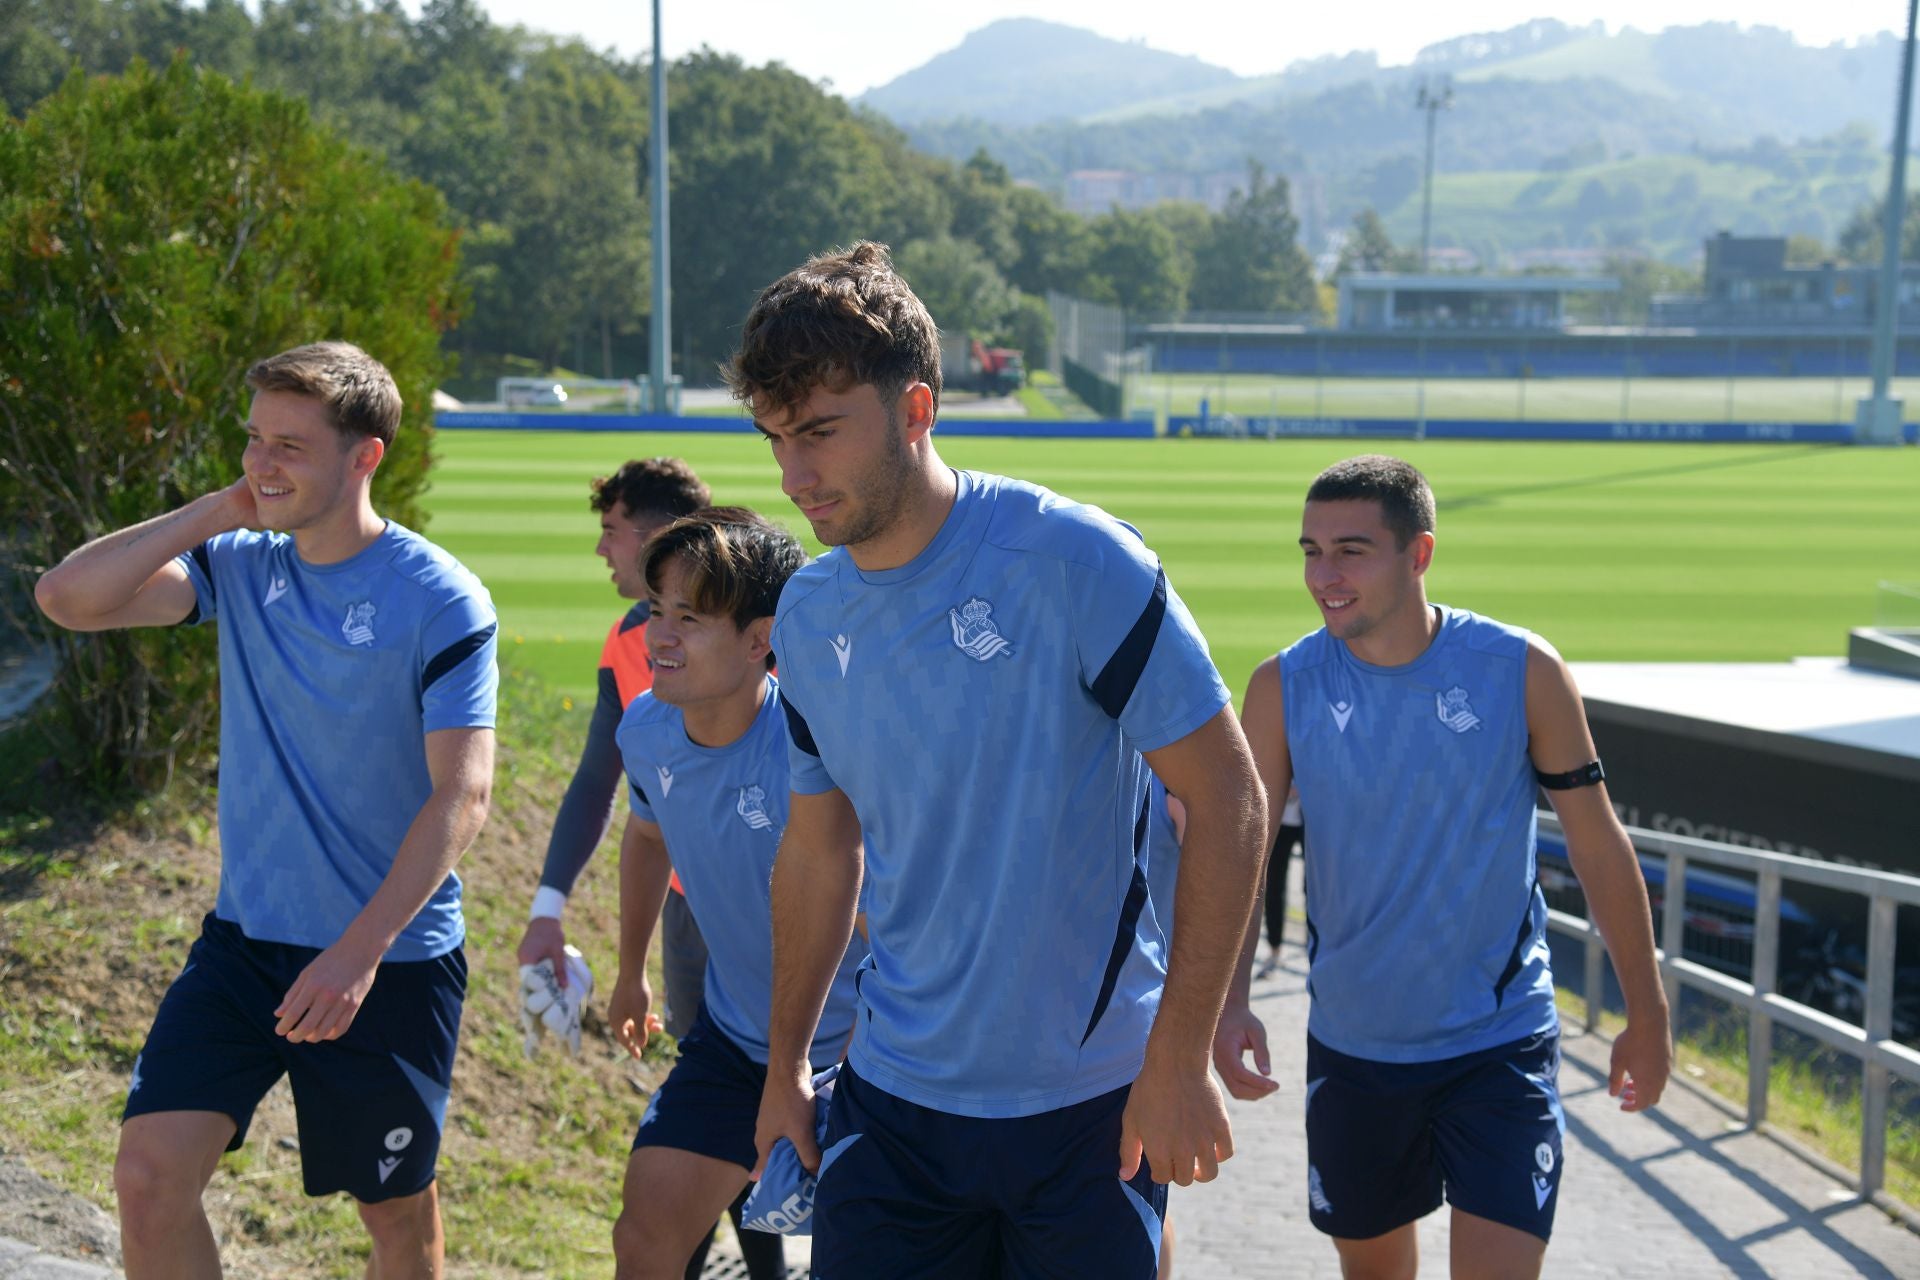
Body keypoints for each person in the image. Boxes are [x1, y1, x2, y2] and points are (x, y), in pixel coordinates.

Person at [735, 242, 1269, 1279]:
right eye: (775, 440)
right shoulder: (807, 611)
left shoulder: (1078, 561)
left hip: (1087, 1109)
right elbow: (817, 849)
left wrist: (1178, 1056)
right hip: (892, 1102)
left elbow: (1229, 799)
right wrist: (787, 1063)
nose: (794, 477)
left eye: (820, 433)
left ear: (916, 409)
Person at [34, 342, 498, 1280]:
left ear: (363, 457)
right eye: (253, 439)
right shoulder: (239, 564)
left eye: (290, 445)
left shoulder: (439, 597)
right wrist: (220, 509)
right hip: (244, 947)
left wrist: (358, 953)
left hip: (387, 959)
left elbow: (465, 794)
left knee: (393, 1217)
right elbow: (66, 599)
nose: (261, 462)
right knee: (149, 1180)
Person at [1213, 454, 1672, 1280]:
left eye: (1351, 551)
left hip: (1500, 1044)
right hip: (1355, 1052)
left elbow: (1598, 842)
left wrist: (1648, 1010)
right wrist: (1231, 997)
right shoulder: (1281, 686)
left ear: (1418, 553)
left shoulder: (1522, 670)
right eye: (1311, 552)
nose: (1324, 576)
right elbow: (1244, 849)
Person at [603, 508, 866, 1280]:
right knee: (644, 1235)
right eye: (657, 610)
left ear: (761, 641)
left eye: (690, 618)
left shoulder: (818, 749)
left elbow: (888, 920)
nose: (659, 635)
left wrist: (861, 1061)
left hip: (864, 1052)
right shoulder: (645, 730)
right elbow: (647, 837)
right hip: (735, 1041)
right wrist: (629, 972)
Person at [1257, 786, 1303, 977]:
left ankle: (1314, 951)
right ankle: (1274, 951)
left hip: (1310, 819)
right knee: (1274, 887)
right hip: (1279, 818)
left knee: (1315, 888)